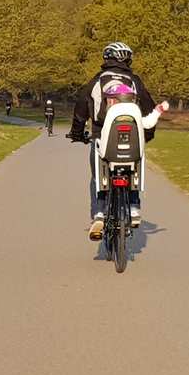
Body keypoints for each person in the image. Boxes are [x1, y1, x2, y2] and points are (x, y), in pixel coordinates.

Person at [68, 42, 157, 240]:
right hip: (131, 134)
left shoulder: (97, 80)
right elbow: (150, 108)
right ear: (127, 59)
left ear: (106, 58)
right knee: (133, 165)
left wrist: (77, 133)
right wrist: (147, 135)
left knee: (97, 176)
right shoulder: (134, 81)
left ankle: (99, 213)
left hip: (101, 135)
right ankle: (134, 206)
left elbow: (81, 108)